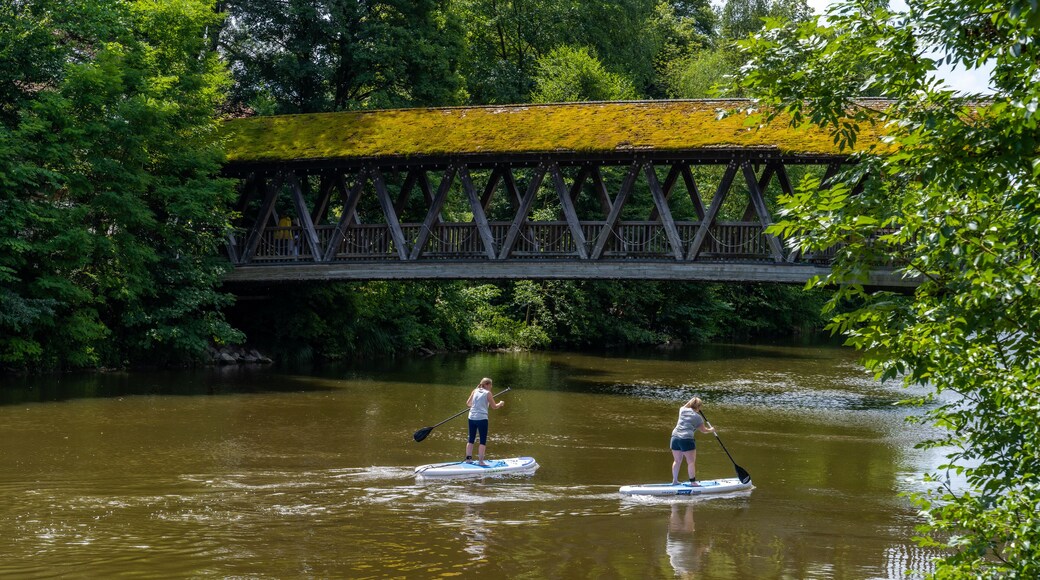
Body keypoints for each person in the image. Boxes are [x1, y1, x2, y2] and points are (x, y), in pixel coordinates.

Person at [670, 396, 715, 486]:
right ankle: (693, 482)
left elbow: (687, 404)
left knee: (677, 460)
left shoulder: (682, 410)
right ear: (699, 407)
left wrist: (693, 399)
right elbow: (703, 430)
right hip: (686, 439)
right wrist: (712, 430)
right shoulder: (698, 417)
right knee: (690, 462)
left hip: (674, 437)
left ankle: (675, 481)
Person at [465, 377, 504, 465]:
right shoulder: (488, 393)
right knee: (482, 440)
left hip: (471, 417)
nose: (491, 386)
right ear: (487, 384)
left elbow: (468, 403)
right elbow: (494, 407)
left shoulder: (475, 391)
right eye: (491, 385)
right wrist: (500, 403)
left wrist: (477, 404)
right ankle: (481, 461)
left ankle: (468, 459)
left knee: (471, 439)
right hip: (482, 419)